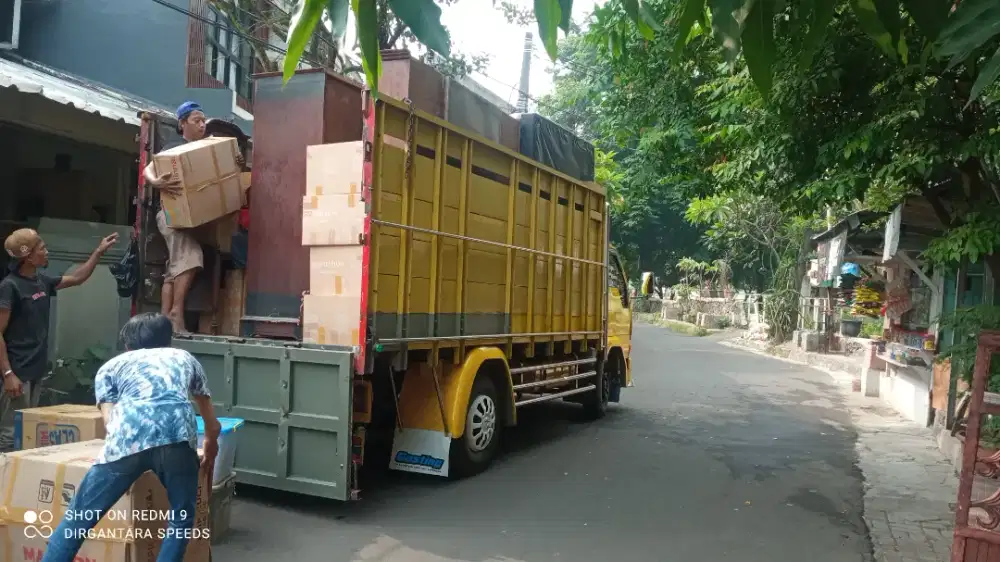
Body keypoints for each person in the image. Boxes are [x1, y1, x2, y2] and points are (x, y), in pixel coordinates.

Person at [42, 313, 222, 562]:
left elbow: (109, 422)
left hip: (127, 442)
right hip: (176, 439)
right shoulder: (184, 358)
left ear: (128, 346)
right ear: (168, 341)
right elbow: (211, 422)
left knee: (79, 518)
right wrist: (210, 444)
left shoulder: (111, 367)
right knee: (182, 516)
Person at [0, 228, 119, 451]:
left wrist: (99, 252)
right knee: (9, 436)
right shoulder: (10, 286)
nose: (46, 251)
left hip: (34, 371)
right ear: (28, 256)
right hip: (17, 373)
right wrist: (8, 374)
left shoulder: (41, 281)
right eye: (41, 248)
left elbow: (77, 278)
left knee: (27, 433)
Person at [143, 101, 207, 334]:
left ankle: (164, 319)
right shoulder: (176, 146)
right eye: (196, 121)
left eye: (203, 121)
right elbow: (148, 168)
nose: (202, 125)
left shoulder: (203, 150)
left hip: (188, 218)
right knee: (192, 256)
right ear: (182, 124)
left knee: (175, 268)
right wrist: (155, 181)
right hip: (170, 215)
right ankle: (176, 314)